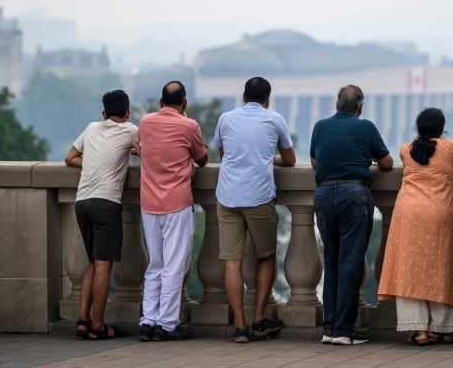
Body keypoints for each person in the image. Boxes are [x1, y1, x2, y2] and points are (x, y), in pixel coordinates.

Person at [377, 108, 453, 346]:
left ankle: (418, 331)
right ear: (441, 128)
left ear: (418, 127)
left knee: (409, 268)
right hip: (439, 212)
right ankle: (438, 330)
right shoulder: (450, 147)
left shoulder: (405, 150)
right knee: (440, 266)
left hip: (408, 212)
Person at [213, 76, 297, 343]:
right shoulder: (274, 119)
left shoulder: (225, 118)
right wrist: (266, 157)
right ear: (267, 99)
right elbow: (290, 160)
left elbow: (224, 154)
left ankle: (240, 327)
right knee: (266, 256)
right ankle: (259, 320)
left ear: (243, 96)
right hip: (259, 196)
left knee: (232, 261)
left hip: (227, 196)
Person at [310, 84, 393, 345]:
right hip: (355, 195)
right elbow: (387, 163)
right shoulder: (365, 127)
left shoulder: (320, 126)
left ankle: (330, 327)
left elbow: (314, 162)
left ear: (336, 105)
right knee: (350, 262)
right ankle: (345, 331)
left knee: (332, 262)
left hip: (324, 195)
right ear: (360, 107)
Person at [137, 81, 209, 342]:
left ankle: (148, 320)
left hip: (149, 203)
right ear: (184, 103)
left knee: (155, 264)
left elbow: (144, 150)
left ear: (160, 102)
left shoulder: (145, 122)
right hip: (177, 203)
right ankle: (167, 324)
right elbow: (202, 158)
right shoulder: (189, 125)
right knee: (174, 265)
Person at [64, 89, 138, 340]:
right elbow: (147, 151)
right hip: (106, 202)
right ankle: (98, 325)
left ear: (104, 113)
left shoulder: (92, 127)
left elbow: (69, 157)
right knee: (104, 264)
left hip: (82, 201)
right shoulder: (131, 131)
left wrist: (92, 163)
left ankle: (83, 321)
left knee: (93, 263)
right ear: (127, 113)